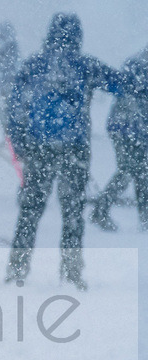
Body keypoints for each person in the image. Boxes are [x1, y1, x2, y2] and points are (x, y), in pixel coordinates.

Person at [4, 13, 125, 290]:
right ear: (78, 36)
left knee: (30, 212)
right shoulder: (85, 65)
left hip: (38, 149)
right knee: (73, 213)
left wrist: (20, 141)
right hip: (75, 149)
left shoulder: (33, 65)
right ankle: (71, 272)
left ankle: (16, 269)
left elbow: (15, 107)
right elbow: (120, 83)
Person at [90, 46, 148, 233]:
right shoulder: (141, 65)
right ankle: (101, 210)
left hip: (123, 126)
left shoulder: (135, 61)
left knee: (137, 171)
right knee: (131, 171)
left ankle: (143, 218)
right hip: (132, 127)